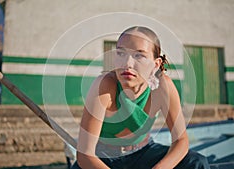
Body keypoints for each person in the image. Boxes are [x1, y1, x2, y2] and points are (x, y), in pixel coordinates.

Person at [71, 26, 210, 169]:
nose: (127, 64)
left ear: (156, 64)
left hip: (143, 154)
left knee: (196, 162)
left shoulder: (162, 87)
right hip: (102, 158)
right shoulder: (105, 85)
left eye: (139, 55)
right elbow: (85, 154)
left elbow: (181, 141)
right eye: (121, 53)